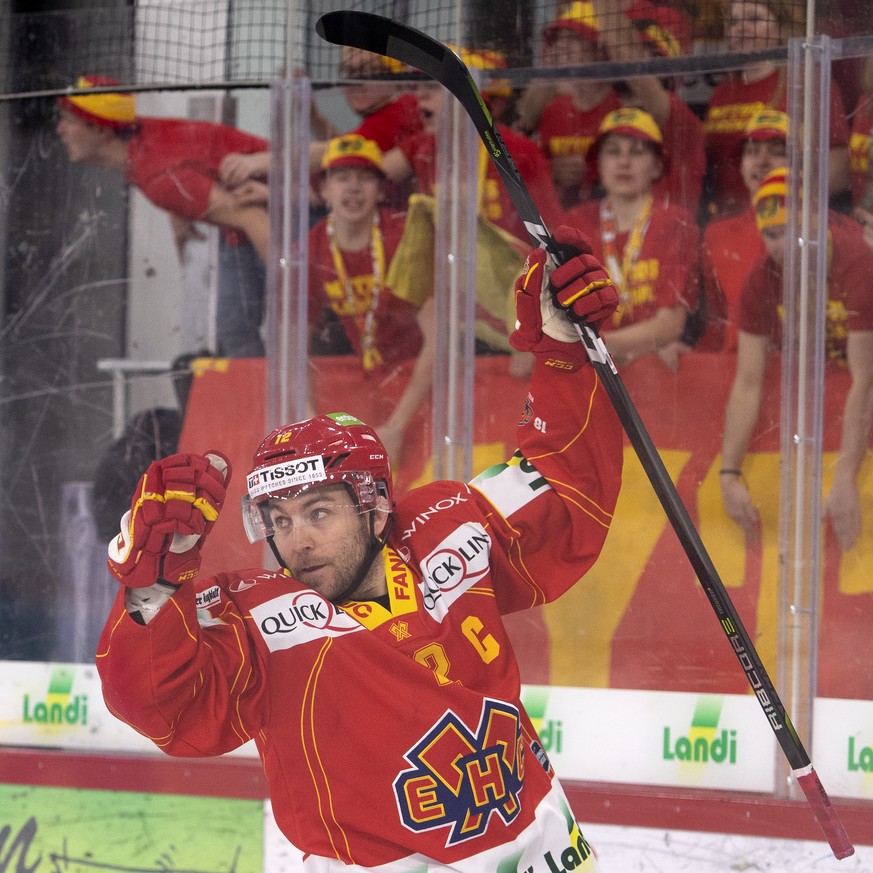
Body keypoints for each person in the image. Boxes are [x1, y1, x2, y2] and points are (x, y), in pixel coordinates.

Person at [96, 226, 623, 871]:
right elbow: (166, 709)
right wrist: (152, 588)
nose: (298, 539)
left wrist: (565, 351)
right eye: (280, 519)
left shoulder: (448, 528)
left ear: (375, 508)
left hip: (546, 851)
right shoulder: (261, 621)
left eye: (318, 511)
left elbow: (567, 492)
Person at [56, 75, 271, 358]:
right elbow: (181, 161)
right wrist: (179, 214)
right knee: (234, 328)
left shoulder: (157, 177)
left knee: (290, 321)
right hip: (249, 221)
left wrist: (296, 284)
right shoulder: (141, 140)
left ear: (100, 130)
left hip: (293, 210)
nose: (60, 130)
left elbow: (251, 216)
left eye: (68, 121)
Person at [720, 167, 873, 551]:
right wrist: (728, 472)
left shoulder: (857, 261)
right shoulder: (763, 277)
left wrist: (845, 480)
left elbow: (866, 380)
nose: (781, 246)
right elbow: (747, 382)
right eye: (771, 235)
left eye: (790, 230)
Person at [308, 134, 432, 458]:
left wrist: (397, 425)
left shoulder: (405, 236)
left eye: (365, 178)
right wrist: (308, 419)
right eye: (341, 178)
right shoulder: (311, 248)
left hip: (422, 382)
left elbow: (441, 337)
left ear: (380, 191)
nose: (353, 188)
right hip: (367, 381)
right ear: (324, 190)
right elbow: (292, 346)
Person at [518, 0, 703, 213]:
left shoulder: (674, 116)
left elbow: (634, 68)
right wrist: (550, 171)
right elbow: (524, 126)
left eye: (646, 53)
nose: (563, 47)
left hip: (663, 234)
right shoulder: (614, 114)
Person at [563, 107, 699, 368]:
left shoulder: (676, 222)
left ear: (657, 166)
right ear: (598, 164)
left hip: (645, 374)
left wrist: (594, 346)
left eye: (637, 152)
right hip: (589, 375)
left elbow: (669, 325)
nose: (624, 162)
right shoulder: (574, 223)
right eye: (613, 151)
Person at [702, 0, 850, 218]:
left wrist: (797, 210)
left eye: (754, 19)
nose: (741, 27)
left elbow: (837, 164)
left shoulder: (807, 82)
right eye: (733, 22)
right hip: (729, 223)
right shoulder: (722, 92)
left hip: (783, 222)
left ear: (780, 29)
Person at [698, 108, 788, 351]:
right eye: (751, 151)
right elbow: (716, 325)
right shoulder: (717, 234)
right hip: (735, 371)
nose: (761, 161)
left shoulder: (827, 231)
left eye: (778, 152)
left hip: (800, 375)